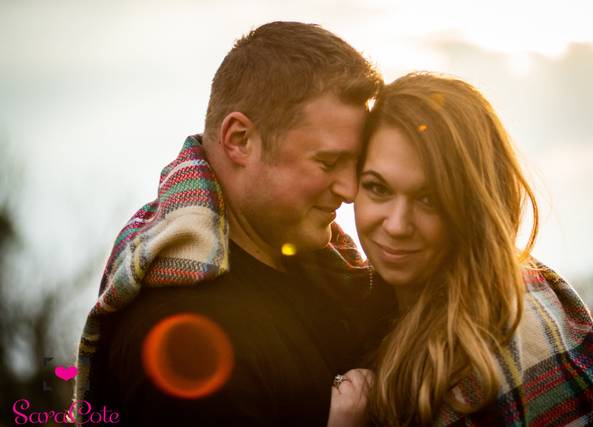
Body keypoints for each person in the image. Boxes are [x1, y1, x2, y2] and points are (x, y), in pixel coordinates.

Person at [72, 22, 396, 426]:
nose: (350, 190)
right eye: (328, 163)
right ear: (240, 139)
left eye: (355, 166)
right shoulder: (183, 336)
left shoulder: (330, 274)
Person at [328, 72, 593, 426]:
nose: (398, 225)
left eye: (429, 198)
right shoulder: (527, 279)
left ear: (474, 204)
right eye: (378, 188)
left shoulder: (475, 368)